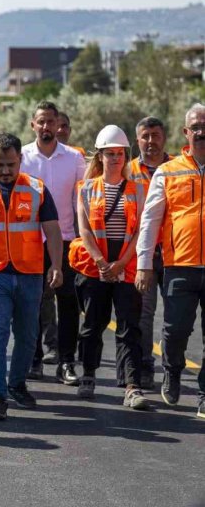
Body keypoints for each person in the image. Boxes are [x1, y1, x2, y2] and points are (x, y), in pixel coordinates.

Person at [0, 133, 63, 421]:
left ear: (20, 160)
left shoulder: (37, 189)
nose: (5, 171)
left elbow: (52, 229)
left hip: (30, 273)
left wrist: (56, 265)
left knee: (28, 336)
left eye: (11, 164)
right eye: (0, 164)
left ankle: (17, 383)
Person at [70, 125, 149, 410]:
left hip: (126, 266)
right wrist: (103, 263)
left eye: (120, 154)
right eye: (109, 154)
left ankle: (131, 387)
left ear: (125, 156)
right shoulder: (86, 188)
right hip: (96, 267)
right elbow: (84, 229)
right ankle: (88, 375)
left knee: (129, 328)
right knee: (92, 325)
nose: (115, 159)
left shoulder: (140, 189)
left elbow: (141, 230)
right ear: (99, 156)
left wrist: (122, 263)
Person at [136, 103, 205, 419]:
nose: (202, 131)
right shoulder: (168, 171)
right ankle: (172, 370)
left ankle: (204, 391)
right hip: (180, 264)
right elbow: (149, 220)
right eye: (196, 126)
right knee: (176, 330)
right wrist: (144, 263)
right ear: (186, 132)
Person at [21, 101, 86, 383]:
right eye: (42, 121)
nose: (47, 127)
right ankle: (34, 359)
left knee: (69, 305)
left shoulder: (74, 158)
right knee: (32, 304)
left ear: (58, 125)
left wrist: (83, 239)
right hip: (31, 242)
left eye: (51, 122)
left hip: (68, 241)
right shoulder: (21, 156)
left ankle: (66, 362)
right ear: (32, 124)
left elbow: (80, 201)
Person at [128, 116, 171, 389]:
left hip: (174, 252)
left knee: (175, 315)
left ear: (164, 137)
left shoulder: (178, 167)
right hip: (141, 254)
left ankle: (172, 368)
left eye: (155, 135)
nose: (150, 141)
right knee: (143, 313)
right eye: (145, 136)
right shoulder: (127, 171)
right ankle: (145, 366)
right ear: (137, 139)